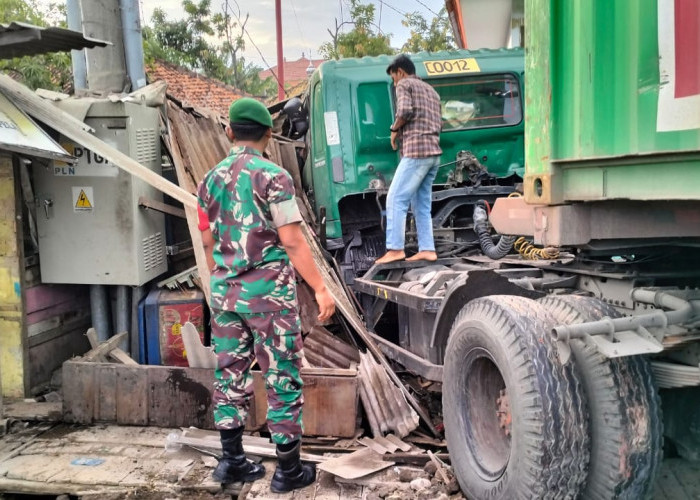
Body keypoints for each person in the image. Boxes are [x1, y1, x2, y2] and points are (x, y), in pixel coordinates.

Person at [197, 97, 336, 493]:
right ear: (269, 135)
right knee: (280, 374)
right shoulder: (274, 177)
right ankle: (288, 471)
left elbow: (207, 242)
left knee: (230, 374)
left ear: (229, 132)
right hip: (269, 299)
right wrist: (321, 288)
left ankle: (233, 462)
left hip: (225, 296)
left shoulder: (207, 181)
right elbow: (291, 240)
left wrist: (224, 281)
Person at [376, 54, 443, 264]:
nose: (394, 82)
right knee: (421, 204)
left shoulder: (405, 84)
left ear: (401, 72)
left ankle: (395, 249)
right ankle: (427, 248)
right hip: (433, 154)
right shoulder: (432, 92)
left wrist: (394, 130)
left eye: (394, 77)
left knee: (395, 198)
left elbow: (404, 110)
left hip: (416, 152)